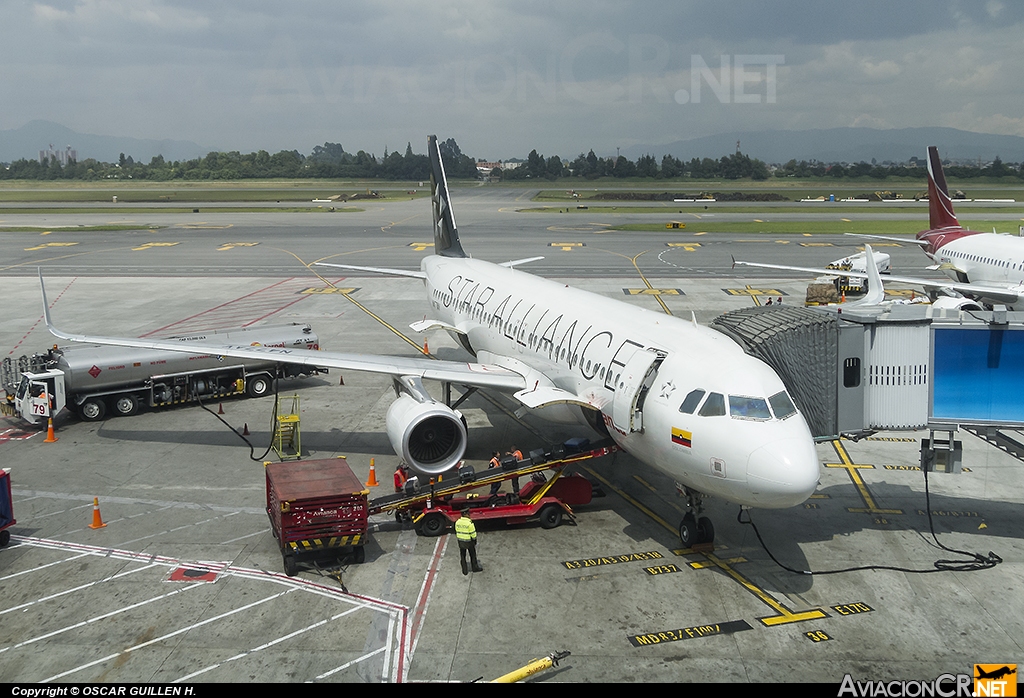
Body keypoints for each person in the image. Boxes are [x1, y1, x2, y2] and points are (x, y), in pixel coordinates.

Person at [455, 508, 483, 575]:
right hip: (469, 542)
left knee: (462, 555)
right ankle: (475, 568)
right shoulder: (469, 523)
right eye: (468, 514)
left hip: (460, 541)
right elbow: (473, 534)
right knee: (472, 555)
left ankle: (464, 570)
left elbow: (457, 531)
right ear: (465, 514)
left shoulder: (457, 522)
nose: (469, 515)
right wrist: (475, 541)